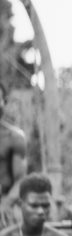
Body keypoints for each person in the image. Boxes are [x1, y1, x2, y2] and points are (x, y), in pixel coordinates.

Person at [0, 82, 27, 222]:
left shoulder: (15, 137)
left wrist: (5, 204)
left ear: (3, 102)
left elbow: (20, 180)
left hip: (4, 203)